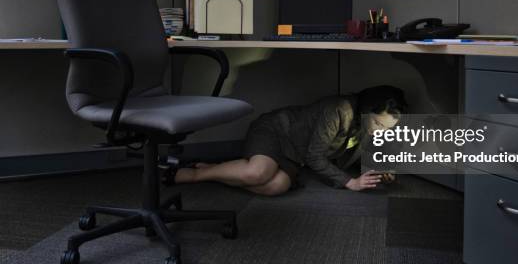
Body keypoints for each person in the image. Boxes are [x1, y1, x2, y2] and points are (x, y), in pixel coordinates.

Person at [162, 85, 408, 195]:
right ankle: (194, 175)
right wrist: (349, 183)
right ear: (367, 110)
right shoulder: (340, 110)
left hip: (295, 156)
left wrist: (377, 169)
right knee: (258, 173)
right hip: (277, 131)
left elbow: (346, 154)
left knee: (275, 186)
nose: (379, 132)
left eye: (386, 129)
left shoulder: (366, 127)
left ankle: (216, 170)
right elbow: (315, 156)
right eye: (377, 124)